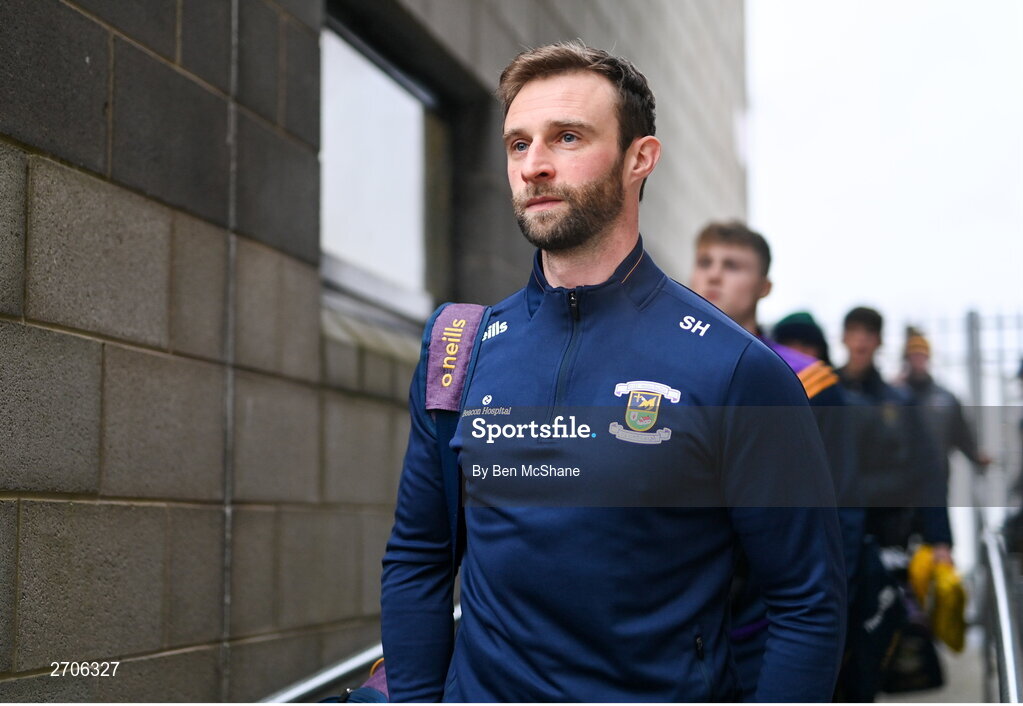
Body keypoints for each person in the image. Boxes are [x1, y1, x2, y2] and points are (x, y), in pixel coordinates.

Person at [381, 42, 846, 702]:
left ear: (639, 159)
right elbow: (419, 557)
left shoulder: (736, 368)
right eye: (518, 144)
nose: (535, 166)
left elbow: (806, 602)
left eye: (566, 137)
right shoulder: (459, 346)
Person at [689, 223, 862, 698]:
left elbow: (838, 513)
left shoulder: (807, 380)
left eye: (733, 266)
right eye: (705, 263)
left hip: (762, 623)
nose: (714, 277)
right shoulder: (663, 366)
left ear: (764, 287)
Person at [838, 308, 952, 562]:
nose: (861, 340)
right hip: (837, 532)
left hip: (890, 532)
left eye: (868, 333)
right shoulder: (826, 396)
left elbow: (927, 468)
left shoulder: (899, 403)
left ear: (878, 341)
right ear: (843, 337)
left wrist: (939, 538)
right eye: (854, 331)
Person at [897, 327, 992, 484]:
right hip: (900, 479)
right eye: (914, 355)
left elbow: (961, 433)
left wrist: (976, 456)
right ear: (907, 359)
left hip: (936, 476)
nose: (918, 360)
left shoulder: (945, 398)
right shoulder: (894, 396)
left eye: (921, 355)